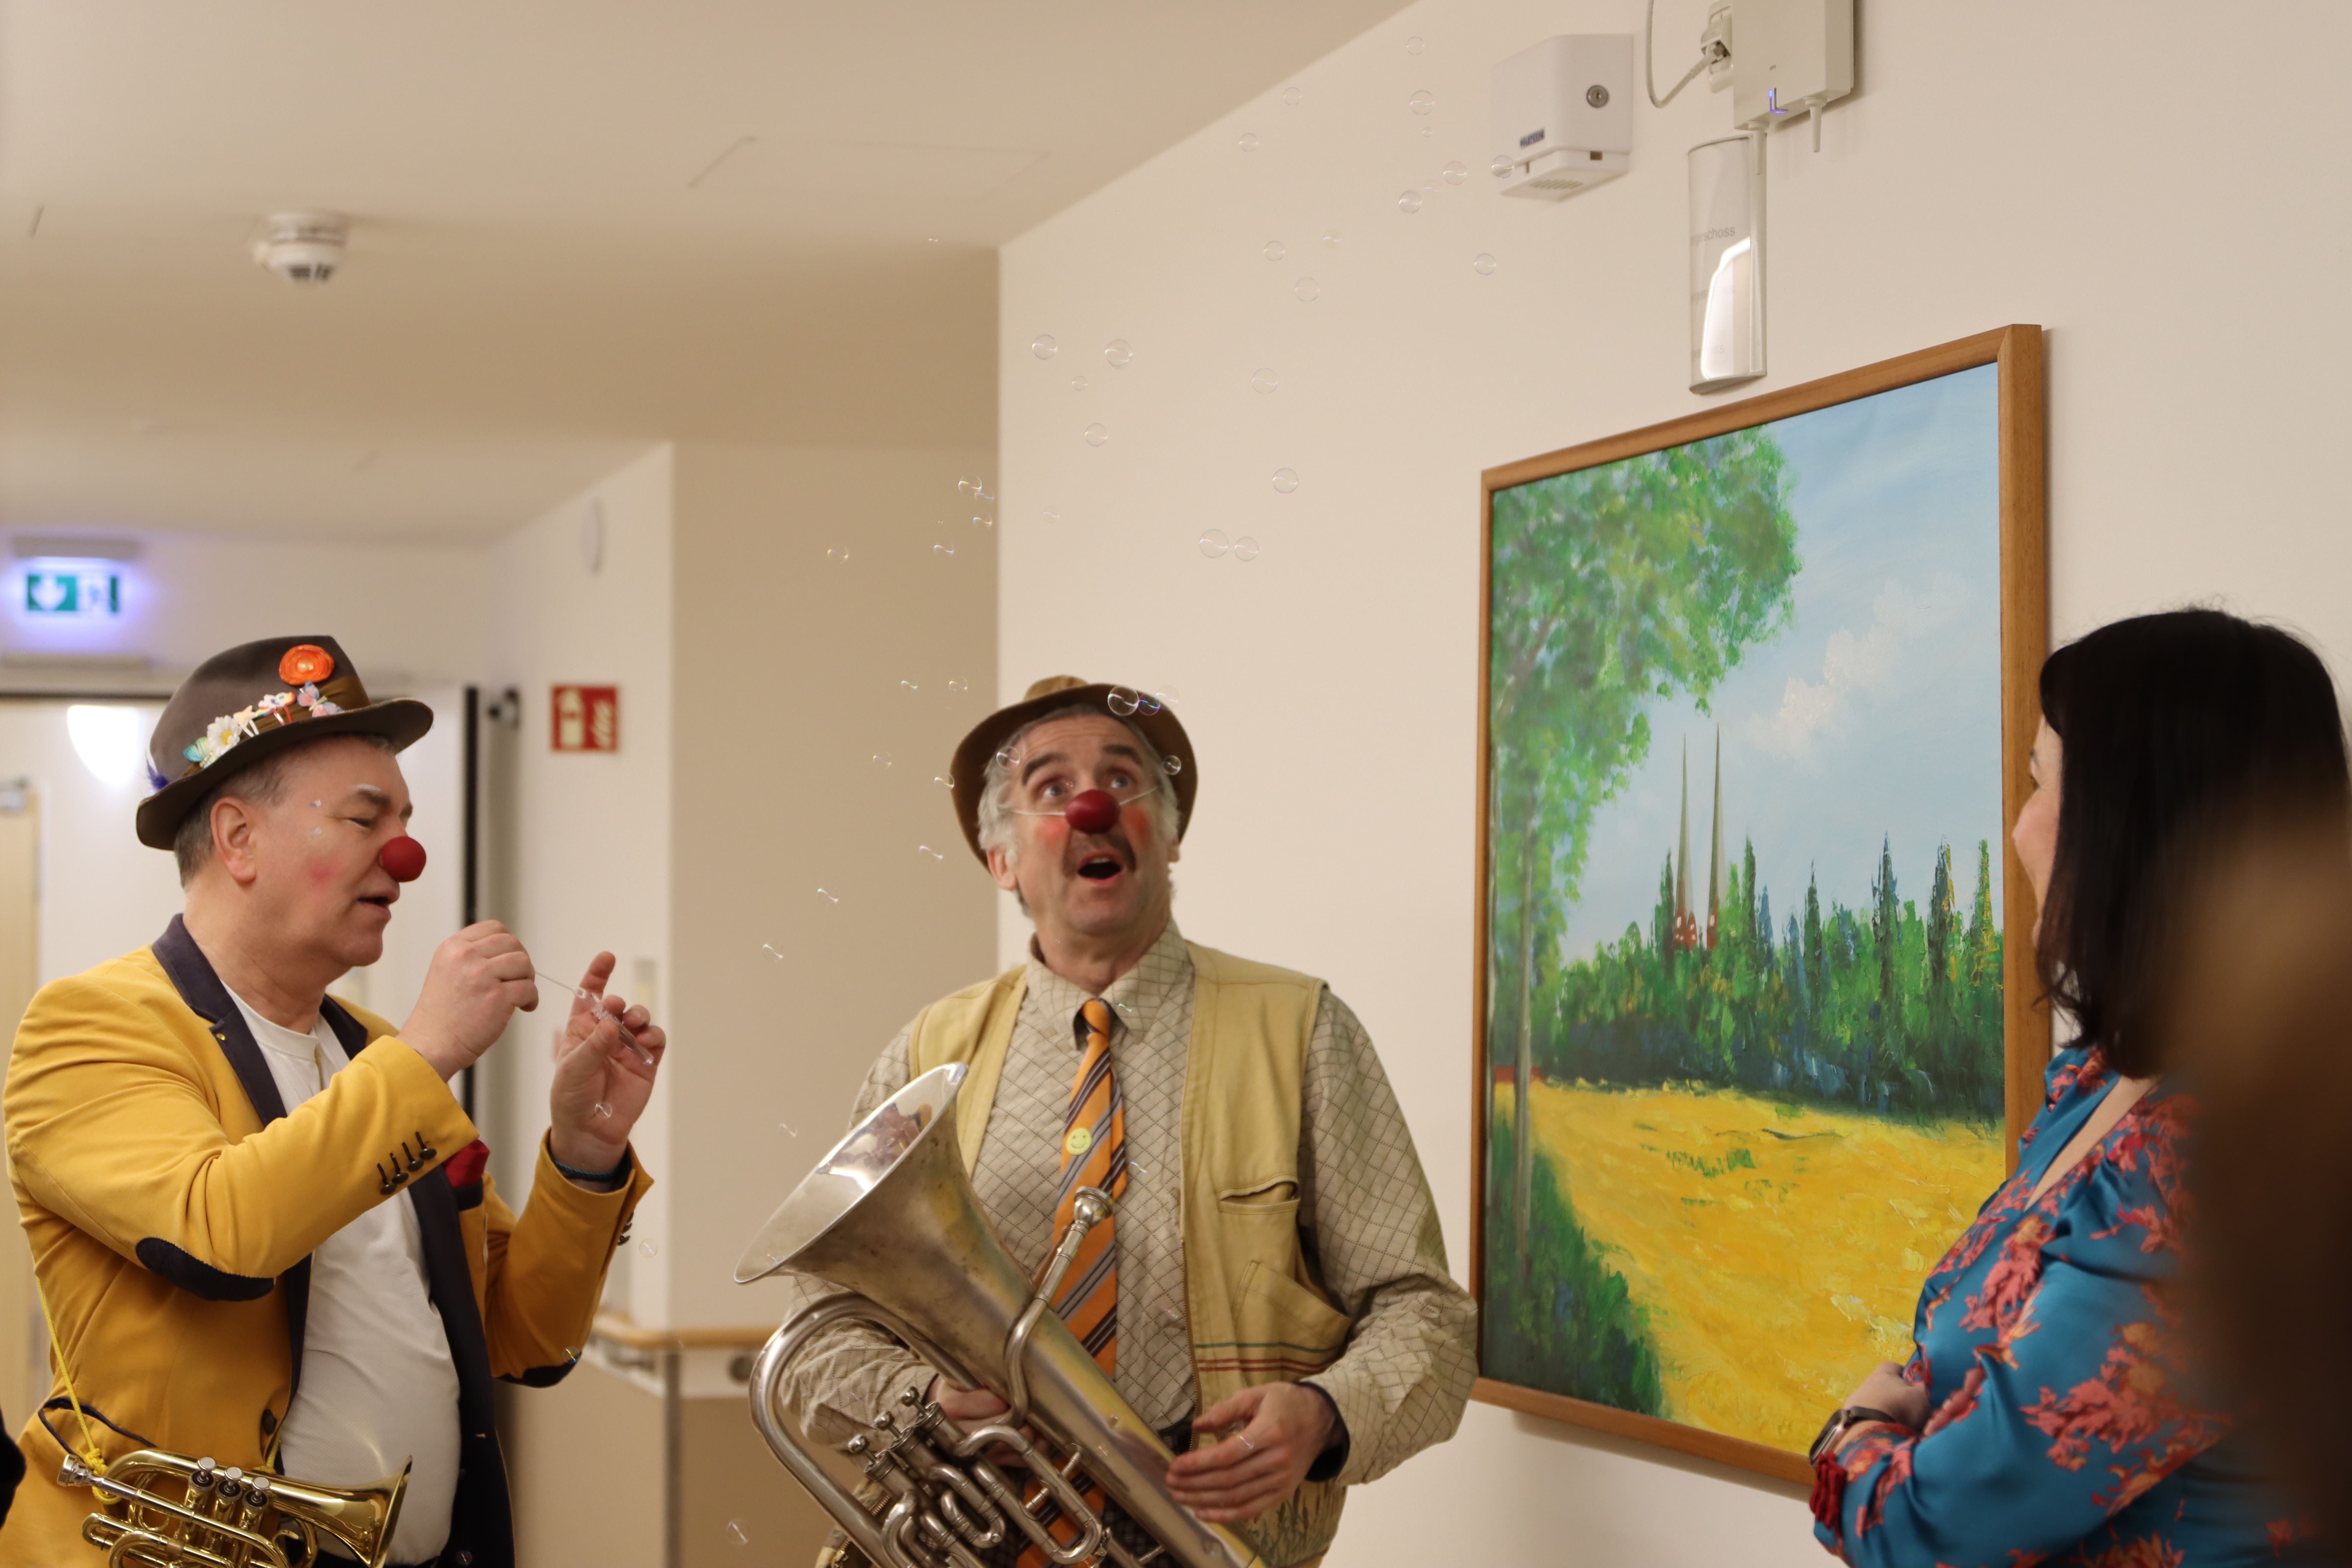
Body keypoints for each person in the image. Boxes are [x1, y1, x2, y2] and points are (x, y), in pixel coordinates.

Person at [770, 677, 1475, 1568]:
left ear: (1169, 836)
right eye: (1051, 788)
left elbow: (1428, 1318)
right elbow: (818, 1338)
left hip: (1215, 1548)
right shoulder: (927, 1055)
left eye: (1121, 779)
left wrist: (1326, 1416)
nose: (1092, 807)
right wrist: (920, 1401)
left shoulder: (1303, 1032)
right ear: (1001, 860)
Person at [2, 636, 662, 1568]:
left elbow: (524, 1335)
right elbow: (219, 1235)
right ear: (238, 839)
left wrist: (583, 1154)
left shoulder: (377, 1054)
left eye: (404, 818)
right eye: (364, 818)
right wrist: (430, 1053)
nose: (407, 853)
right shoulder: (91, 1024)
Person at [1807, 609, 2340, 1566]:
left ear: (2139, 828)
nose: (2019, 826)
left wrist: (1856, 1433)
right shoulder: (2101, 1085)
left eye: (2041, 780)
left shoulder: (2199, 1173)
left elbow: (1929, 1529)